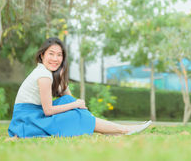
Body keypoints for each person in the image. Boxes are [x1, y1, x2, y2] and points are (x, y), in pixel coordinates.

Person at [8, 37, 151, 138]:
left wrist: (62, 78)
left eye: (59, 55)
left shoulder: (47, 72)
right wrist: (75, 104)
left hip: (32, 115)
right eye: (51, 54)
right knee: (72, 107)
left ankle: (117, 130)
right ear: (42, 55)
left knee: (69, 102)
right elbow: (48, 110)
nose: (55, 59)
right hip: (27, 120)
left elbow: (66, 97)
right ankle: (123, 129)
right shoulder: (44, 75)